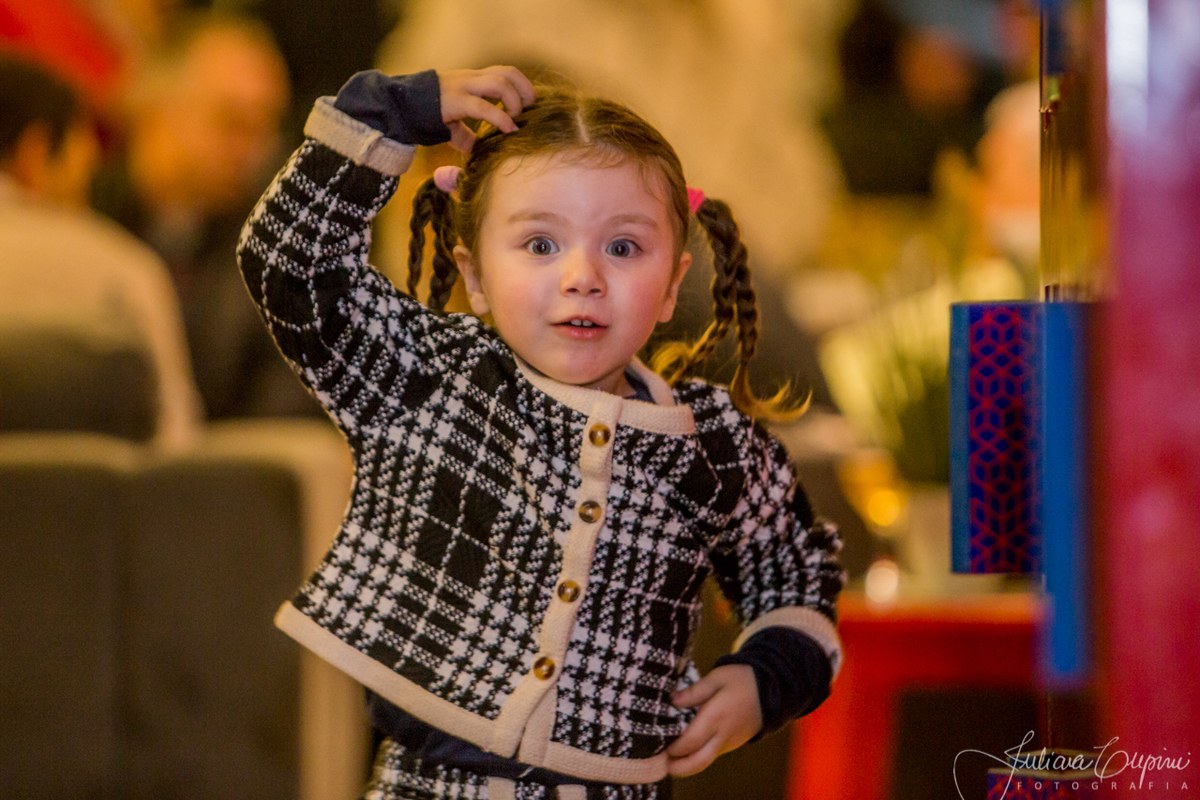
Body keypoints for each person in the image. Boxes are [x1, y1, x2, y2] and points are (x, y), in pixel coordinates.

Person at [237, 66, 844, 799]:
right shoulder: (425, 376)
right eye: (540, 245)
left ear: (671, 285)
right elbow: (288, 263)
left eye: (624, 248)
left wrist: (764, 679)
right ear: (475, 276)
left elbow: (798, 572)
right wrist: (394, 111)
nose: (583, 276)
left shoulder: (714, 445)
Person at [92, 13, 322, 420]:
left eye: (265, 127)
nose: (253, 152)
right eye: (232, 123)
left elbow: (292, 404)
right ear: (157, 110)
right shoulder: (79, 214)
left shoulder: (283, 243)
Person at [0, 54, 201, 450]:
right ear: (35, 154)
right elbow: (175, 444)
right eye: (83, 154)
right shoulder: (125, 272)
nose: (91, 173)